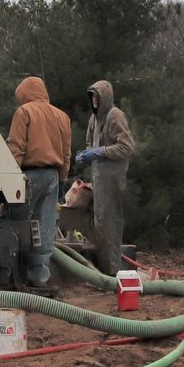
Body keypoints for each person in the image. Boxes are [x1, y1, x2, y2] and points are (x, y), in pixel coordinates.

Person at [5, 75, 71, 287]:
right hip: (52, 176)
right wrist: (62, 180)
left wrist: (9, 178)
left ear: (24, 94)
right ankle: (39, 277)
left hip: (28, 176)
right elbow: (67, 153)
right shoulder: (62, 116)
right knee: (45, 228)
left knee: (12, 221)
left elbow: (17, 147)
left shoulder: (24, 112)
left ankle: (1, 271)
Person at [75, 80, 137, 274]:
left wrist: (100, 151)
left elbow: (127, 147)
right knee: (99, 222)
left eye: (97, 96)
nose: (94, 100)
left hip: (112, 178)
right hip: (98, 176)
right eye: (91, 96)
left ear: (104, 97)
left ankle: (112, 271)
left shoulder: (115, 116)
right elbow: (89, 141)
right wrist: (85, 154)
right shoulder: (94, 119)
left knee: (110, 222)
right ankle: (103, 269)